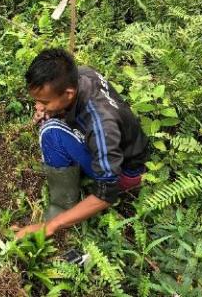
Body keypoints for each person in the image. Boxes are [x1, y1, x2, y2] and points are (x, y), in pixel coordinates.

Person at [15, 48, 148, 239]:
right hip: (123, 148)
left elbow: (106, 194)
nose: (38, 106)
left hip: (124, 175)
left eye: (44, 101)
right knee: (51, 120)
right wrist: (52, 110)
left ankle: (61, 207)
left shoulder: (102, 125)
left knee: (51, 131)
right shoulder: (84, 74)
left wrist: (51, 226)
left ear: (68, 93)